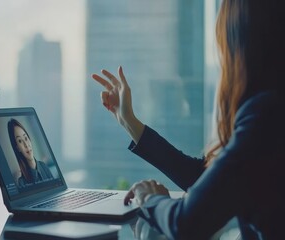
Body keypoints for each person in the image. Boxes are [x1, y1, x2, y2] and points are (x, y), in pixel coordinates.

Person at [92, 0, 285, 239]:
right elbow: (208, 179)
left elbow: (187, 223)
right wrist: (129, 121)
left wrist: (151, 199)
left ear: (242, 42)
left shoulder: (267, 115)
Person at [7, 118, 54, 188]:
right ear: (17, 148)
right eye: (20, 141)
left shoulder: (44, 166)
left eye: (26, 138)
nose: (26, 144)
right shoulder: (21, 183)